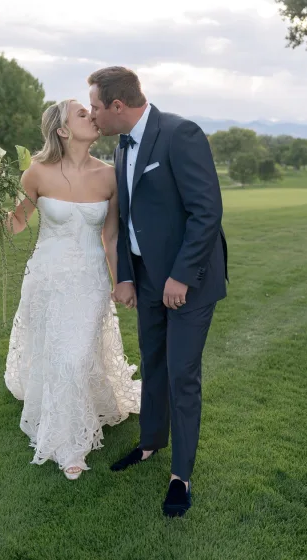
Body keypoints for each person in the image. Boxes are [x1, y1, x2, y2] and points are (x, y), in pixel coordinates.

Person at [0, 100, 140, 480]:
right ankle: (69, 444)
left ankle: (72, 433)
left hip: (89, 279)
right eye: (83, 113)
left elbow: (110, 236)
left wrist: (121, 282)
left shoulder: (111, 176)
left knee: (77, 356)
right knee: (58, 354)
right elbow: (16, 224)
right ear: (63, 130)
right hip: (47, 278)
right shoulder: (37, 173)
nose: (92, 116)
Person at [88, 67, 228, 516]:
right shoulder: (121, 145)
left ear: (117, 106)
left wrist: (183, 275)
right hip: (146, 279)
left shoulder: (180, 133)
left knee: (182, 375)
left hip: (189, 280)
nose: (92, 114)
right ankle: (149, 443)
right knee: (153, 363)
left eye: (94, 106)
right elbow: (128, 218)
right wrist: (126, 276)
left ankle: (180, 477)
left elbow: (206, 211)